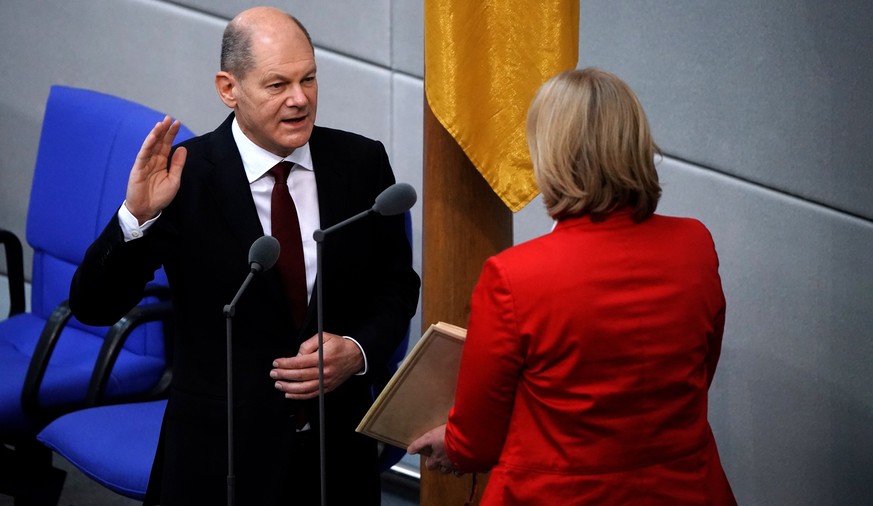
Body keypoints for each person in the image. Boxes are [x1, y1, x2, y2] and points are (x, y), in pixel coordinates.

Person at [69, 6, 420, 505]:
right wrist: (134, 217)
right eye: (278, 85)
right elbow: (94, 306)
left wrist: (358, 350)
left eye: (309, 79)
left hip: (334, 454)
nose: (300, 100)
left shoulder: (361, 164)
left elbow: (397, 286)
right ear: (228, 89)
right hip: (220, 456)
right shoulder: (185, 178)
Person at [408, 68, 736, 505]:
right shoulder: (695, 245)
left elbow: (476, 445)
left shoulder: (514, 277)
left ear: (550, 153)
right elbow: (698, 374)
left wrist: (451, 441)